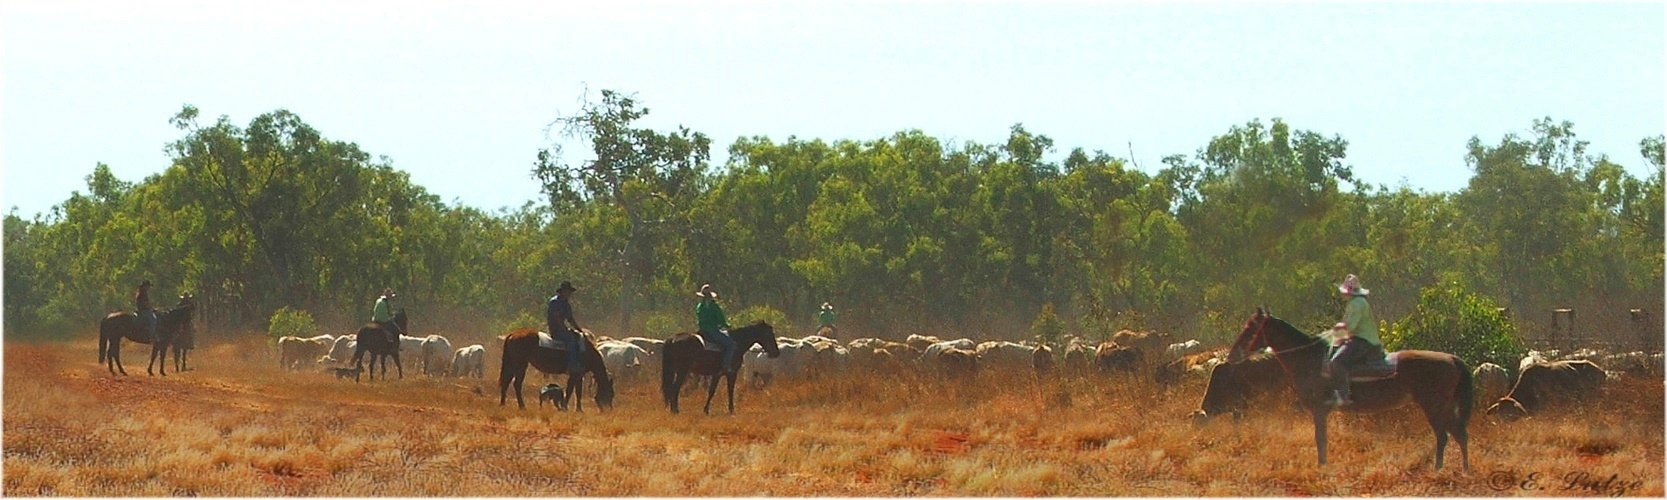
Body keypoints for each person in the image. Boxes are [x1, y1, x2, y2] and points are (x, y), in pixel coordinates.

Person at [1324, 274, 1384, 407]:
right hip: (1361, 339)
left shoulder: (1356, 304)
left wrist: (1340, 327)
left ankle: (1343, 396)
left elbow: (1350, 327)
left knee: (1337, 361)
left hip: (1364, 342)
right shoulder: (1356, 303)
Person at [695, 283, 738, 374]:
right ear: (711, 296)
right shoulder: (714, 306)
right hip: (712, 331)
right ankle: (726, 367)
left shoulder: (699, 306)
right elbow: (721, 320)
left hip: (702, 330)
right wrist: (727, 325)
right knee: (731, 345)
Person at [546, 281, 585, 375]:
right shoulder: (555, 302)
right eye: (567, 291)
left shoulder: (566, 304)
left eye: (569, 292)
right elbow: (557, 318)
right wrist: (565, 329)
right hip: (555, 329)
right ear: (562, 291)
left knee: (577, 337)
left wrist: (579, 330)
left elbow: (570, 319)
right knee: (571, 340)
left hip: (561, 328)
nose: (569, 294)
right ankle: (573, 365)